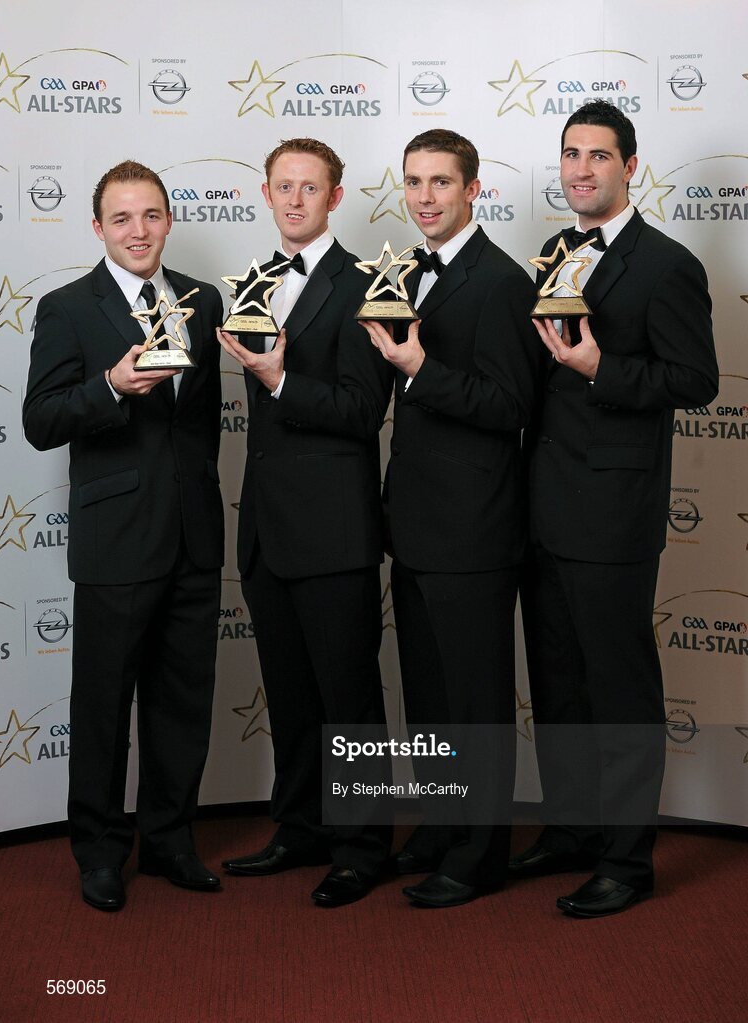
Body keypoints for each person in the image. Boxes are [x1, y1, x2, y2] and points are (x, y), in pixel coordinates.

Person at [511, 100, 719, 917]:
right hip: (544, 506)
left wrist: (603, 367)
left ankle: (627, 861)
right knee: (558, 681)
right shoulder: (556, 252)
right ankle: (570, 831)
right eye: (570, 154)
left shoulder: (667, 264)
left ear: (631, 166)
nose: (581, 169)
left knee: (619, 686)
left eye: (598, 155)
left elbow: (695, 381)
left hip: (615, 512)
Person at [23, 160, 224, 911]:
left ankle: (171, 839)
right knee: (104, 705)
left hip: (194, 536)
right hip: (115, 542)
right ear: (99, 227)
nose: (138, 231)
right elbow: (41, 420)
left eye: (151, 215)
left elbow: (199, 426)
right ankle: (101, 850)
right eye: (122, 219)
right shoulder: (69, 306)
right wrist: (109, 386)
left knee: (182, 701)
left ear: (169, 220)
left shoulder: (204, 302)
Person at [362, 129, 541, 907]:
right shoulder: (404, 273)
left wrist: (420, 369)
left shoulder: (501, 280)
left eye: (441, 181)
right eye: (413, 181)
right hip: (417, 523)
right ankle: (439, 826)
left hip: (475, 528)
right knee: (429, 696)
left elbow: (510, 406)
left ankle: (479, 852)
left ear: (475, 190)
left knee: (474, 704)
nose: (425, 196)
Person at [218, 138, 392, 907]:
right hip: (266, 528)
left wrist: (281, 377)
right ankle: (300, 825)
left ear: (336, 196)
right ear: (265, 193)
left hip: (335, 528)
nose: (294, 200)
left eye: (309, 188)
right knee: (290, 693)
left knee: (347, 696)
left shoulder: (367, 284)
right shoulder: (252, 282)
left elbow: (361, 410)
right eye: (283, 187)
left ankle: (361, 844)